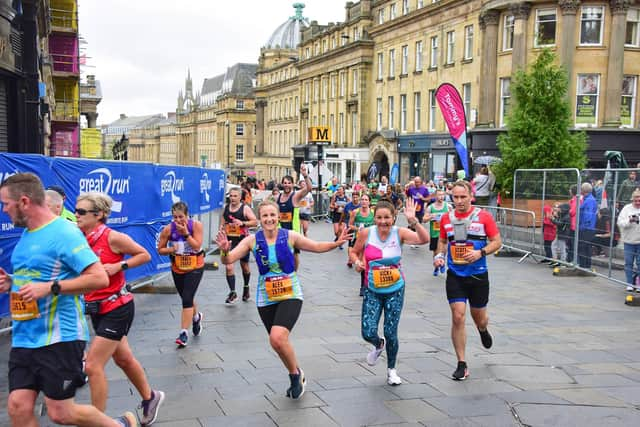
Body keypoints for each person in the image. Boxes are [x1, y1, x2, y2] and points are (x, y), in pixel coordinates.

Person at [0, 173, 137, 426]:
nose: (4, 209)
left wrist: (51, 287)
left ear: (24, 201)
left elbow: (98, 278)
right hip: (25, 335)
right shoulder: (28, 233)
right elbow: (36, 275)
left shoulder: (65, 233)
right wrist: (11, 282)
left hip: (59, 337)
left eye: (6, 203)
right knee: (18, 407)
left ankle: (120, 425)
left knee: (60, 413)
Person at [215, 200, 352, 399]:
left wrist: (337, 242)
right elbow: (228, 260)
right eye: (265, 216)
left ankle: (294, 376)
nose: (269, 219)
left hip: (290, 294)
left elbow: (317, 246)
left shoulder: (290, 236)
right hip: (266, 297)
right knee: (278, 343)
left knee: (277, 337)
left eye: (272, 215)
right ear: (259, 219)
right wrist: (224, 250)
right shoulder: (252, 240)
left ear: (278, 217)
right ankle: (296, 372)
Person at [76, 192, 165, 426]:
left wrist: (118, 265)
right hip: (97, 309)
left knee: (93, 365)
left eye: (82, 212)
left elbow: (144, 255)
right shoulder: (79, 238)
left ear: (99, 215)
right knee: (124, 359)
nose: (76, 215)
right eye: (76, 210)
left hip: (118, 307)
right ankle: (150, 397)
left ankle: (100, 422)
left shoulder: (112, 237)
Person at [349, 199, 430, 385]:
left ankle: (392, 369)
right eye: (379, 217)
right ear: (374, 217)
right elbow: (354, 252)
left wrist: (414, 221)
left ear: (393, 218)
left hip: (395, 290)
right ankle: (378, 344)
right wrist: (357, 262)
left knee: (391, 332)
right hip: (372, 290)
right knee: (367, 331)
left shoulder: (399, 233)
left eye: (387, 218)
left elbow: (424, 240)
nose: (383, 221)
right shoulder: (366, 233)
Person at [433, 180, 502, 381]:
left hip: (478, 275)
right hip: (455, 275)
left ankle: (482, 329)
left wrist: (480, 252)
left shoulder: (484, 217)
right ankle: (461, 363)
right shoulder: (446, 218)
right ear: (451, 197)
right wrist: (439, 256)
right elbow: (443, 241)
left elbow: (497, 242)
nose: (460, 201)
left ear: (471, 196)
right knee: (458, 316)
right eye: (456, 197)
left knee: (479, 317)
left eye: (463, 197)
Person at [157, 201, 205, 348]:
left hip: (195, 265)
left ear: (187, 215)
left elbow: (196, 246)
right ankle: (196, 317)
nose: (178, 220)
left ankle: (183, 333)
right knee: (186, 297)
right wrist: (172, 249)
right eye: (175, 217)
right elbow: (160, 249)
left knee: (187, 298)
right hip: (177, 267)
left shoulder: (196, 226)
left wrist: (186, 235)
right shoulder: (167, 230)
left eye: (181, 217)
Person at [220, 188, 258, 304]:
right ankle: (233, 292)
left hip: (242, 241)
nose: (232, 198)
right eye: (231, 196)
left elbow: (255, 222)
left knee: (244, 266)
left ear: (240, 197)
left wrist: (243, 223)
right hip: (229, 241)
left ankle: (246, 287)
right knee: (228, 266)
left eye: (235, 196)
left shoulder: (245, 208)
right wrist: (222, 229)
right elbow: (223, 220)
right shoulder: (226, 208)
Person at [277, 164, 312, 269]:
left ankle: (294, 274)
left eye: (289, 183)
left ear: (292, 184)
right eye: (285, 183)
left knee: (294, 254)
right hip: (280, 230)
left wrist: (305, 175)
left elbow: (309, 188)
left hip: (293, 231)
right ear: (282, 184)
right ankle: (284, 272)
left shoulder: (295, 196)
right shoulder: (277, 197)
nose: (287, 185)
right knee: (281, 254)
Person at [348, 193, 375, 295]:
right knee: (362, 264)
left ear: (369, 202)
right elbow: (350, 225)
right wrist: (358, 228)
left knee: (370, 262)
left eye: (366, 200)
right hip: (359, 240)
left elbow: (377, 225)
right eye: (362, 199)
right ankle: (363, 286)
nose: (364, 201)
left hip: (371, 240)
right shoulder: (355, 212)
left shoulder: (373, 212)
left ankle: (369, 284)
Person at [617, 189, 640, 292]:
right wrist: (629, 220)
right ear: (632, 199)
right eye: (636, 200)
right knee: (629, 263)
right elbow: (620, 222)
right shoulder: (627, 208)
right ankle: (629, 283)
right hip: (628, 241)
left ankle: (638, 283)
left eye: (639, 200)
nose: (638, 202)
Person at [425, 189, 452, 276]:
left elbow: (454, 217)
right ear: (435, 196)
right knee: (436, 252)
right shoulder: (430, 207)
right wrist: (431, 216)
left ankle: (442, 263)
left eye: (442, 195)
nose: (441, 197)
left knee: (443, 250)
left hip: (445, 232)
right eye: (439, 195)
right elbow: (424, 219)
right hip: (434, 232)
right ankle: (436, 266)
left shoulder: (448, 206)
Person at [578, 182, 597, 270]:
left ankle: (584, 266)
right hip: (588, 227)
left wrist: (583, 226)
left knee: (583, 247)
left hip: (586, 228)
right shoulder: (589, 199)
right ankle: (585, 266)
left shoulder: (589, 200)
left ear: (583, 190)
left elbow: (588, 215)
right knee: (586, 247)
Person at [343, 192, 360, 267]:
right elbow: (343, 214)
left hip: (359, 228)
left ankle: (356, 257)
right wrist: (341, 222)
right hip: (350, 227)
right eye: (354, 197)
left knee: (358, 244)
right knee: (351, 244)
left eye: (356, 197)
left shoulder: (361, 206)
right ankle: (350, 259)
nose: (355, 199)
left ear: (359, 197)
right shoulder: (348, 205)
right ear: (352, 197)